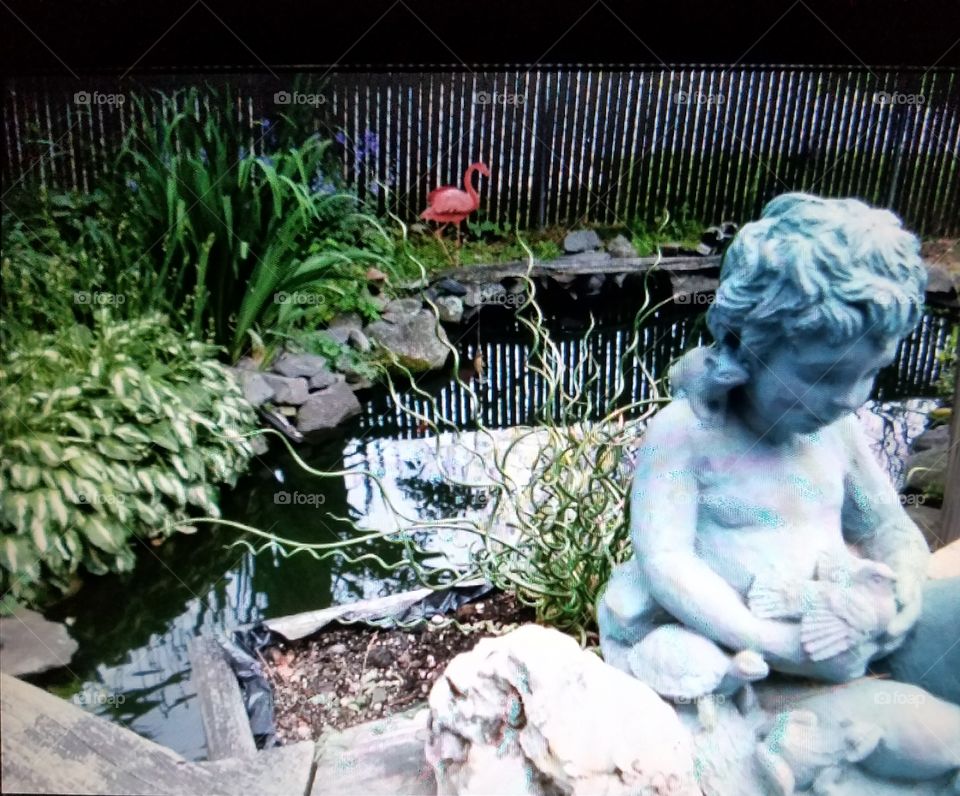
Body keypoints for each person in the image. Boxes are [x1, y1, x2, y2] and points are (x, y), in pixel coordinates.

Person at [597, 193, 931, 683]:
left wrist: (905, 584)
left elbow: (886, 525)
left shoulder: (838, 432)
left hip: (835, 627)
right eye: (823, 376)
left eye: (870, 375)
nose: (850, 399)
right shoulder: (686, 433)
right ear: (747, 346)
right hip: (734, 651)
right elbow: (665, 563)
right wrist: (774, 643)